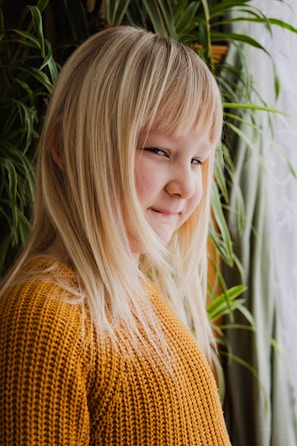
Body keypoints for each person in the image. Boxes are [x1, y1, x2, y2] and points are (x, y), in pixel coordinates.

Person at [0, 25, 231, 445]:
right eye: (159, 151)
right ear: (66, 145)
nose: (187, 185)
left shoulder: (147, 300)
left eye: (198, 159)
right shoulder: (42, 317)